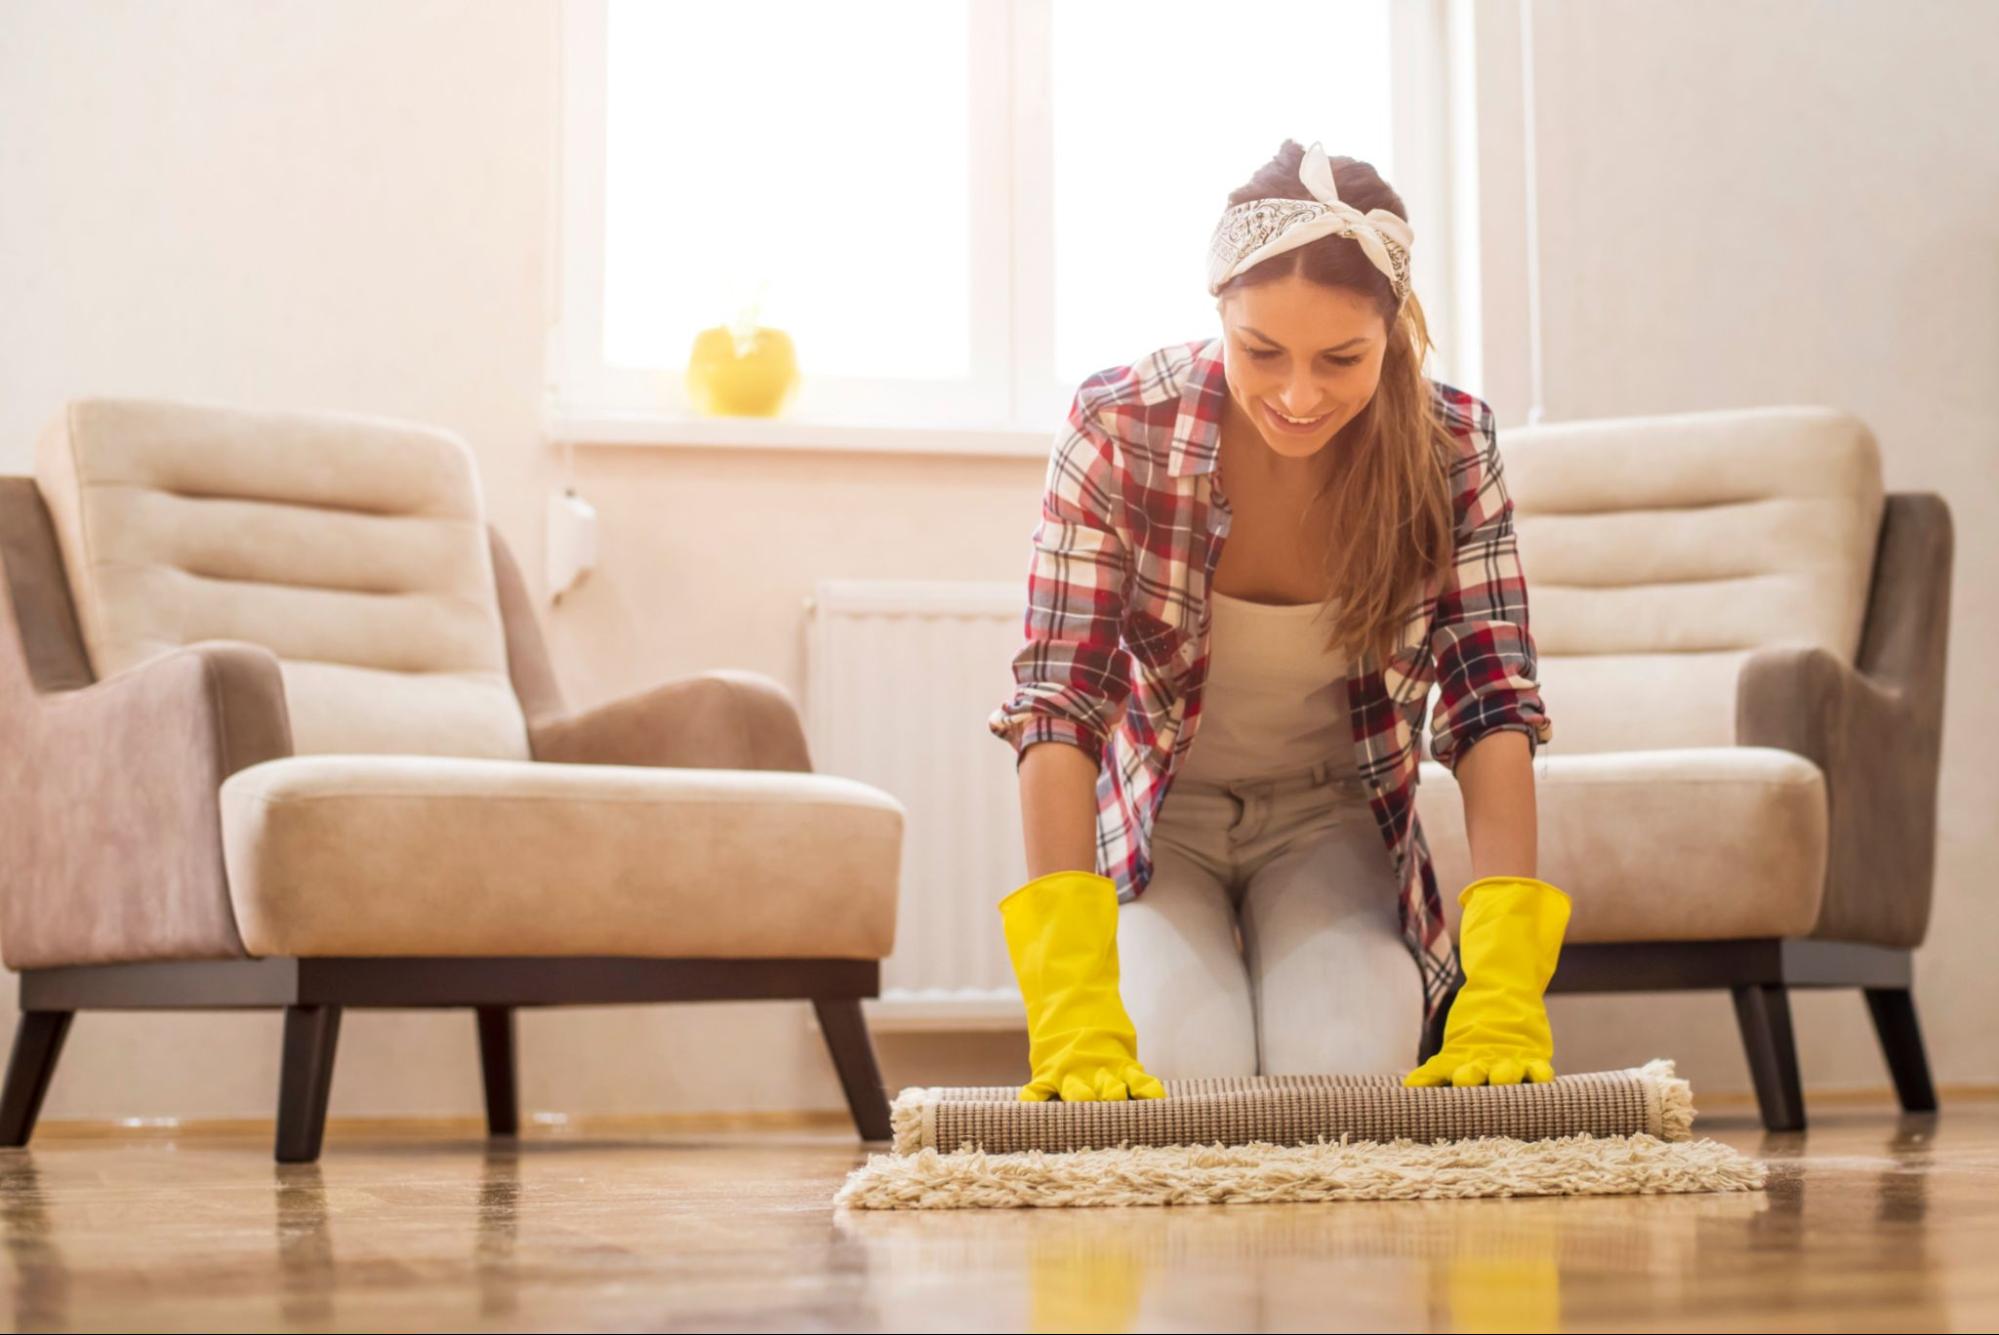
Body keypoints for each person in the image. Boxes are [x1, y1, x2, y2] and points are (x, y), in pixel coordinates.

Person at [988, 140, 1568, 1103]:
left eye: (1342, 358)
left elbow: (1489, 697)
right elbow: (1059, 699)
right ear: (1219, 313)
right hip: (1158, 825)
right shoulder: (1118, 427)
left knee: (1343, 1088)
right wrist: (1069, 1001)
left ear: (1395, 329)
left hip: (1329, 820)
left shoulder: (1452, 448)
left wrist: (1504, 983)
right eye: (1262, 351)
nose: (1298, 396)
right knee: (1184, 1082)